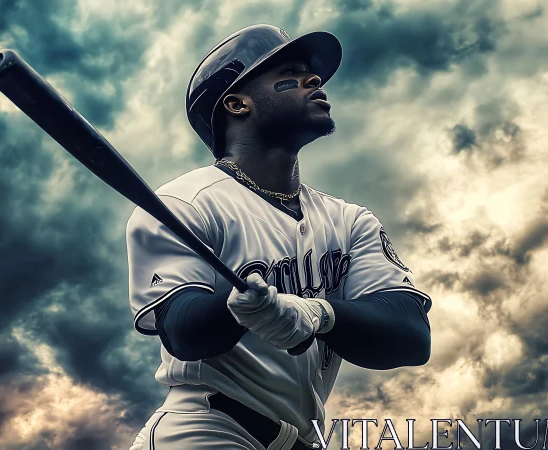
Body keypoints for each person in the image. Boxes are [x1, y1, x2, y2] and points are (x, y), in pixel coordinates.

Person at [126, 24, 432, 450]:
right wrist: (238, 309)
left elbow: (411, 336)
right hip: (207, 429)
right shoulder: (184, 202)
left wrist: (318, 313)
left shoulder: (350, 220)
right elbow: (183, 332)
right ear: (237, 103)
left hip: (302, 438)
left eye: (314, 74)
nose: (315, 80)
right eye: (289, 72)